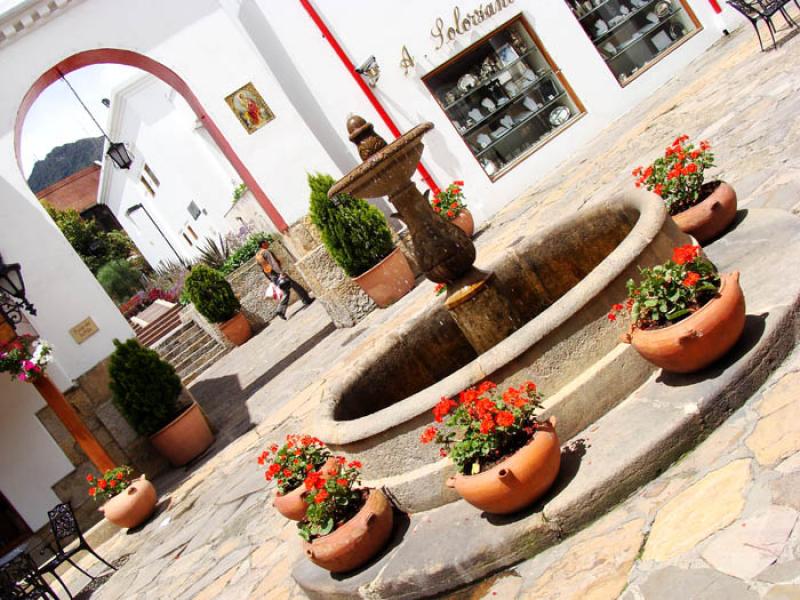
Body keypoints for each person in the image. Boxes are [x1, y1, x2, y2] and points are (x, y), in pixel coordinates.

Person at [256, 239, 314, 320]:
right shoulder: (266, 252)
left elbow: (263, 269)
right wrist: (281, 273)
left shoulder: (258, 255)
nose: (268, 243)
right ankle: (306, 300)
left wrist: (271, 279)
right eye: (266, 242)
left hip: (272, 276)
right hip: (278, 274)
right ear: (262, 244)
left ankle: (280, 310)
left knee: (286, 292)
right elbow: (273, 263)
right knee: (295, 285)